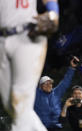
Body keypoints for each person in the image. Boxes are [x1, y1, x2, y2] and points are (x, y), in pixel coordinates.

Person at [0, 0, 59, 131]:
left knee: (19, 99)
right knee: (11, 105)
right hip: (1, 41)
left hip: (28, 36)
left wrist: (54, 12)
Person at [34, 56, 79, 131]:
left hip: (56, 127)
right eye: (46, 84)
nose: (49, 85)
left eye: (50, 83)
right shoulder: (36, 94)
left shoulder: (56, 92)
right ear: (40, 86)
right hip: (41, 128)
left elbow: (66, 81)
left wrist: (72, 68)